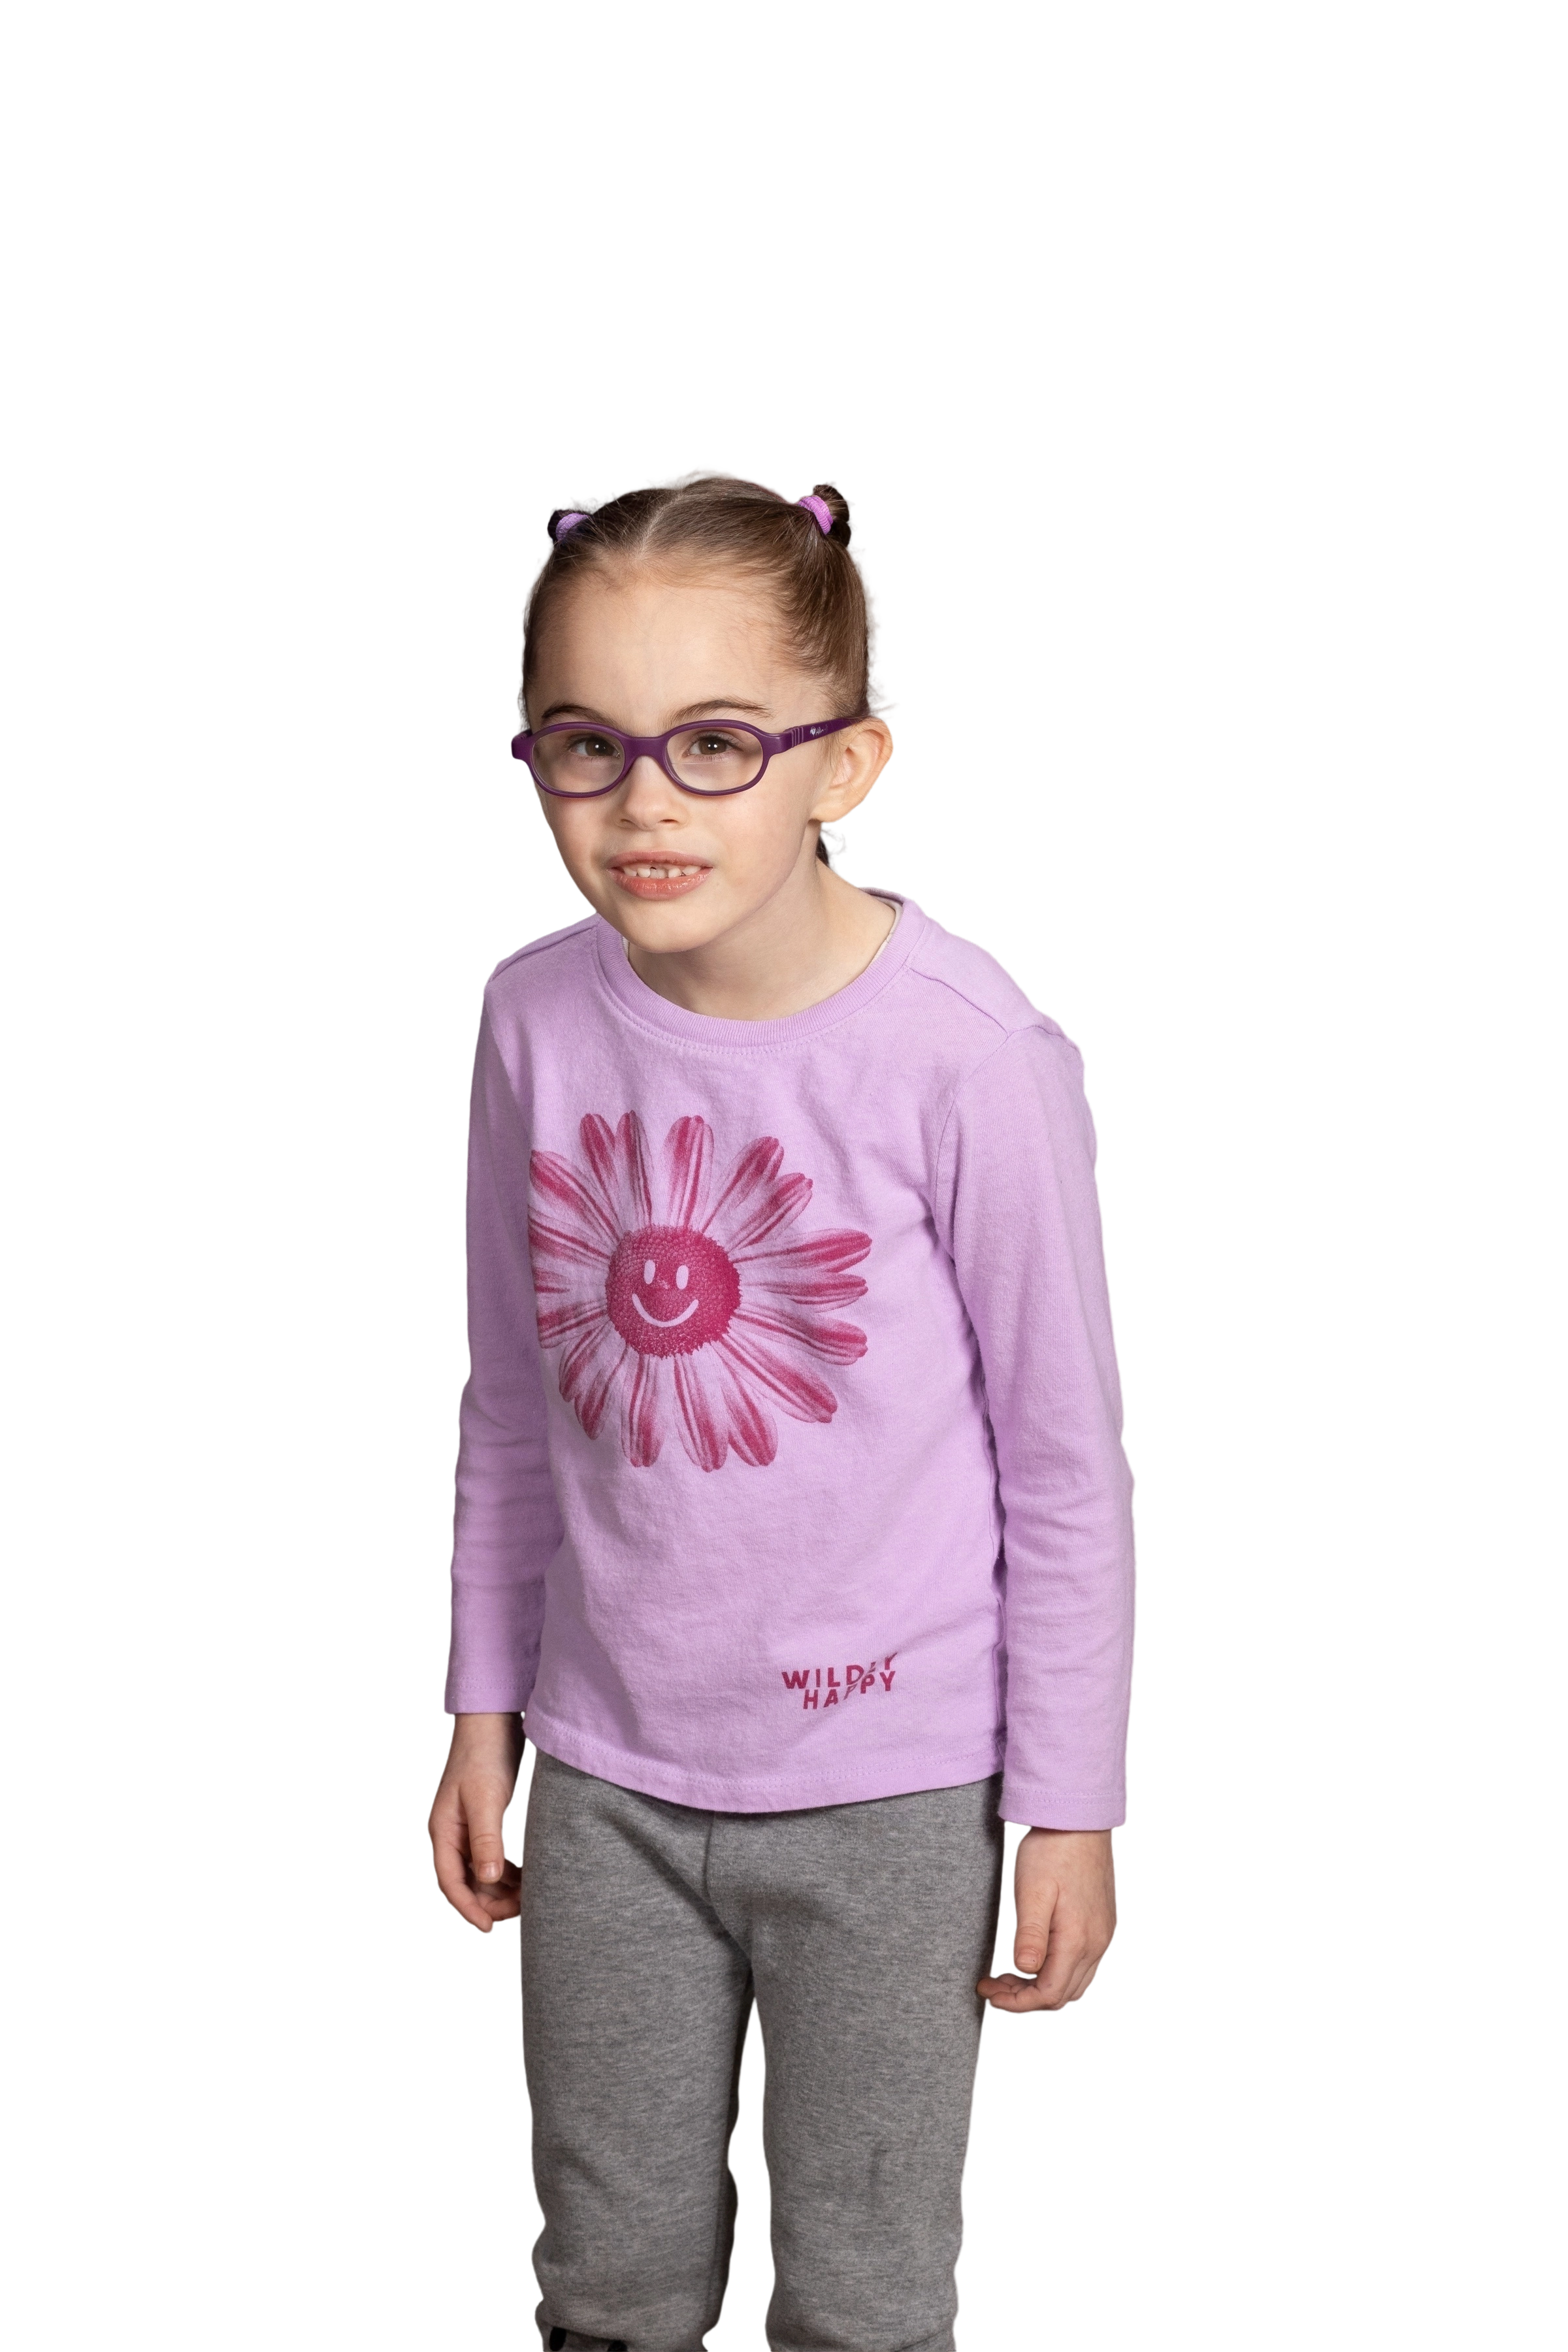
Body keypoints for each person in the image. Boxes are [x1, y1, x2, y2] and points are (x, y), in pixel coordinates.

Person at [428, 466, 1136, 2352]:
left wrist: (1070, 1807)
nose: (646, 801)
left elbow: (1067, 1476)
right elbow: (512, 1409)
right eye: (588, 742)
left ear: (853, 763)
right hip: (606, 1772)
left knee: (868, 2275)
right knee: (608, 2265)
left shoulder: (973, 1058)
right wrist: (484, 1710)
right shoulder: (527, 1018)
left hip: (896, 1792)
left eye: (720, 741)